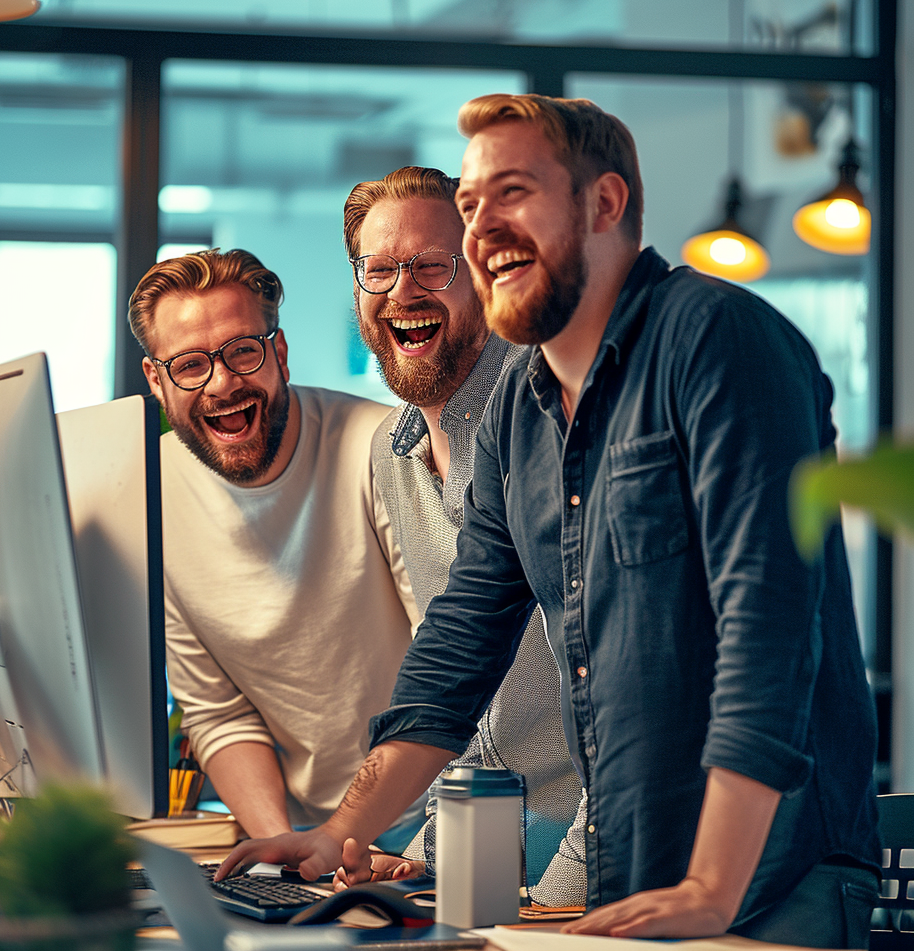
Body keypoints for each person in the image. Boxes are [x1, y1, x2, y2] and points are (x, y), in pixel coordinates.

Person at [217, 95, 881, 948]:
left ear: (604, 204)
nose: (481, 226)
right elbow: (459, 647)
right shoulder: (520, 411)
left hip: (770, 888)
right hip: (635, 879)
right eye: (470, 205)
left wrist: (714, 884)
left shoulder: (716, 339)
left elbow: (769, 632)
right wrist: (336, 831)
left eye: (513, 192)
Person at [343, 165, 587, 905]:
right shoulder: (393, 453)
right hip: (491, 856)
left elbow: (631, 714)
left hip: (609, 852)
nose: (401, 291)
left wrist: (558, 900)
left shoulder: (558, 421)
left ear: (485, 274)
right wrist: (427, 858)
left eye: (430, 266)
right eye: (378, 269)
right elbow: (463, 698)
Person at [128, 247, 423, 847]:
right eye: (189, 365)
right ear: (157, 381)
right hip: (309, 832)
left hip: (444, 814)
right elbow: (219, 714)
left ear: (279, 354)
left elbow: (453, 664)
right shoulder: (148, 496)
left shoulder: (385, 449)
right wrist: (283, 854)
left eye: (242, 351)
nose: (223, 384)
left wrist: (352, 836)